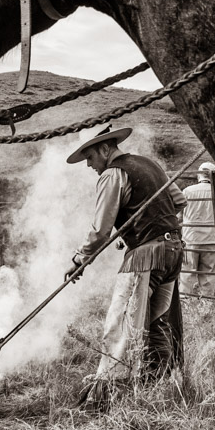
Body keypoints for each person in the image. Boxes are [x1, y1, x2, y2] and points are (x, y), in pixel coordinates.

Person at [65, 124, 186, 406]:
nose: (89, 165)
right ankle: (159, 388)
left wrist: (79, 260)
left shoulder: (112, 173)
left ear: (105, 149)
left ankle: (106, 396)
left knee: (119, 324)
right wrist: (141, 223)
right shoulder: (149, 164)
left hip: (146, 256)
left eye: (90, 157)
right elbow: (178, 201)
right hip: (173, 251)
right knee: (157, 324)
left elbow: (100, 229)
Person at [179, 162, 215, 298]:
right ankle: (207, 299)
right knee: (209, 272)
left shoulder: (187, 191)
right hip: (211, 238)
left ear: (199, 174)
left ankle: (185, 298)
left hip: (191, 238)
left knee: (188, 270)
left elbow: (178, 216)